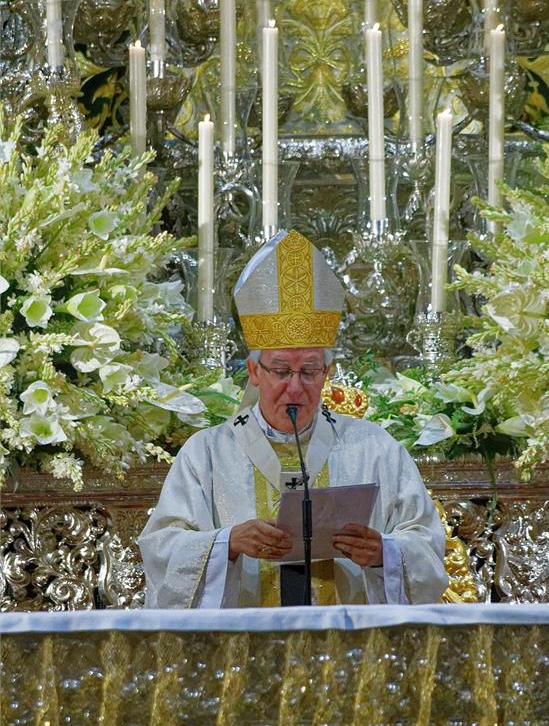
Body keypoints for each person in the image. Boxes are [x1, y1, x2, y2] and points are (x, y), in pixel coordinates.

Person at [139, 230, 449, 608]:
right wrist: (228, 543)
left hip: (346, 637)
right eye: (282, 371)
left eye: (310, 371)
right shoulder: (207, 453)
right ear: (254, 371)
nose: (296, 387)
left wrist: (384, 553)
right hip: (244, 639)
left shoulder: (375, 449)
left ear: (327, 372)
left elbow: (427, 545)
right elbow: (161, 549)